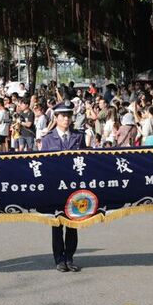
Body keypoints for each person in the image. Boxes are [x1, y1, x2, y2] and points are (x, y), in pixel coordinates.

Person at [41, 100, 86, 272]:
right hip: (55, 187)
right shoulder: (47, 139)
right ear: (56, 118)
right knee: (57, 224)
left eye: (69, 115)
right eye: (63, 116)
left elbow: (84, 161)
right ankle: (59, 259)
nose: (66, 119)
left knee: (73, 224)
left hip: (74, 187)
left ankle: (69, 257)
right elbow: (44, 164)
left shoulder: (78, 137)